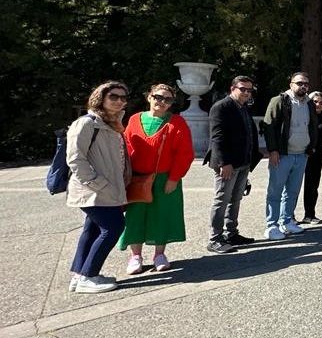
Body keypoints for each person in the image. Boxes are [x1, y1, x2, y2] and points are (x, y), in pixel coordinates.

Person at [120, 84, 194, 275]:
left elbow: (184, 153)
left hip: (164, 178)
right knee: (135, 216)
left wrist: (174, 178)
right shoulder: (135, 119)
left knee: (162, 215)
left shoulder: (177, 122)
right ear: (149, 97)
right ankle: (135, 256)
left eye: (168, 99)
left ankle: (159, 254)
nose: (162, 102)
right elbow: (126, 147)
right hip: (137, 178)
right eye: (158, 97)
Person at [66, 81, 130, 294]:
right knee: (113, 228)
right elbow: (75, 159)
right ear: (101, 97)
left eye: (122, 97)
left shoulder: (112, 124)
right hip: (94, 190)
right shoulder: (87, 123)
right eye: (114, 96)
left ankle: (80, 274)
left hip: (107, 188)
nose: (119, 101)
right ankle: (88, 275)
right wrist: (98, 183)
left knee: (92, 229)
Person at [204, 76, 261, 254]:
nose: (246, 92)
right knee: (221, 200)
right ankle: (215, 238)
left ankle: (232, 233)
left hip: (242, 162)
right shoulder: (221, 107)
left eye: (249, 90)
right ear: (232, 88)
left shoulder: (243, 107)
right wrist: (224, 162)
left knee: (235, 200)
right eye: (242, 89)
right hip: (227, 164)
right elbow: (217, 137)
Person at [262, 72, 318, 240]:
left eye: (306, 84)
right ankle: (271, 226)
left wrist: (311, 147)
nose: (303, 86)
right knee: (275, 192)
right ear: (291, 83)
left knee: (292, 192)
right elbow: (269, 126)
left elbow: (312, 126)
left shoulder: (308, 103)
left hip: (301, 154)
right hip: (282, 155)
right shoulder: (279, 100)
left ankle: (286, 221)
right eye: (300, 83)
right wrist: (273, 150)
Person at [300, 91, 322, 224]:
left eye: (321, 102)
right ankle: (289, 216)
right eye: (315, 102)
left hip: (316, 154)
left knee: (312, 185)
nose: (318, 104)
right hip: (300, 152)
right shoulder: (302, 115)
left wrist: (316, 143)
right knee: (293, 185)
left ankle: (310, 214)